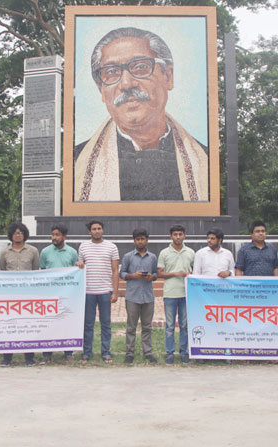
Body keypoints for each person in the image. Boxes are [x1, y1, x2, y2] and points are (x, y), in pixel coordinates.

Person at [74, 27, 209, 201]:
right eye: (111, 72)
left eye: (140, 67)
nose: (126, 84)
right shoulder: (77, 162)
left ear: (168, 76)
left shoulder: (205, 160)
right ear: (102, 90)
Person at [0, 222, 40, 367]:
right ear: (11, 235)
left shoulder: (33, 251)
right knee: (8, 326)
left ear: (25, 235)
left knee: (27, 326)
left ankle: (29, 357)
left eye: (20, 232)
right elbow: (3, 272)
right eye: (15, 233)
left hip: (27, 295)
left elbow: (35, 271)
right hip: (9, 296)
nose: (18, 235)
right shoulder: (4, 252)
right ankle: (7, 357)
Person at [78, 220, 120, 363]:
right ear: (89, 231)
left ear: (103, 230)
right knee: (88, 324)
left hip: (105, 291)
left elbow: (115, 271)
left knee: (106, 323)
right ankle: (87, 352)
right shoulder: (83, 247)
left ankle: (106, 352)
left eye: (99, 228)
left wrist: (115, 292)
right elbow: (80, 267)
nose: (97, 231)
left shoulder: (112, 247)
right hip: (88, 291)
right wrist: (80, 265)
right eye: (94, 229)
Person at [40, 223, 79, 362]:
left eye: (57, 235)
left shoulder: (72, 253)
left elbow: (77, 271)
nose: (54, 238)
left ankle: (68, 352)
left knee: (66, 322)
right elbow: (43, 270)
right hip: (50, 294)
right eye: (53, 235)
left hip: (67, 294)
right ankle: (47, 353)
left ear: (64, 236)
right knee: (48, 323)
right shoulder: (45, 252)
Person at [157, 225, 195, 365]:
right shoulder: (164, 253)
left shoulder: (190, 252)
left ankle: (184, 352)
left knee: (184, 325)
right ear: (170, 236)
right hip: (170, 293)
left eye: (180, 234)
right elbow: (159, 273)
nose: (178, 237)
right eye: (175, 234)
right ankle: (170, 353)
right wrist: (175, 273)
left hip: (186, 293)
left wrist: (190, 275)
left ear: (184, 235)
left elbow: (196, 271)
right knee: (170, 326)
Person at [121, 228, 158, 364]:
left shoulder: (153, 257)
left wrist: (151, 277)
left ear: (147, 240)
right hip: (132, 296)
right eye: (138, 239)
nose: (140, 241)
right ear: (134, 240)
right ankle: (129, 353)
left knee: (147, 327)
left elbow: (156, 274)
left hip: (148, 297)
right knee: (131, 326)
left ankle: (147, 352)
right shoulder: (128, 257)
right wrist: (133, 276)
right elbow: (122, 273)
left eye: (143, 239)